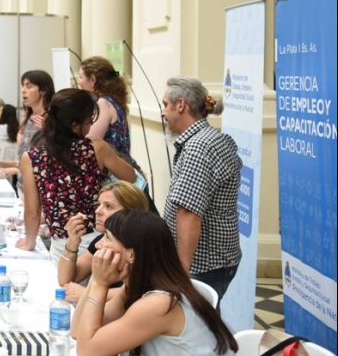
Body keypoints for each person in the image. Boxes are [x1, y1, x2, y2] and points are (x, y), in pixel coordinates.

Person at [71, 210, 239, 356]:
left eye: (107, 238)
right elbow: (78, 331)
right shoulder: (138, 288)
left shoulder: (159, 303)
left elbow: (88, 351)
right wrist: (97, 278)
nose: (99, 244)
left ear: (132, 254)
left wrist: (101, 283)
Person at [16, 89, 136, 261]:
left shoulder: (32, 157)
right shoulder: (96, 148)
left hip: (60, 245)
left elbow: (33, 211)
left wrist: (30, 243)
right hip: (95, 243)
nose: (90, 127)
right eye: (88, 122)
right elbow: (130, 176)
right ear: (74, 125)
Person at [161, 77, 241, 301]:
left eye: (165, 104)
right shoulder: (206, 139)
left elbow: (189, 212)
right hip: (215, 262)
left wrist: (181, 273)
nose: (162, 112)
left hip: (204, 265)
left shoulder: (198, 147)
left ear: (181, 105)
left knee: (201, 328)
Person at [78, 57, 154, 205]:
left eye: (81, 77)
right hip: (124, 170)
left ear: (92, 80)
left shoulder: (103, 104)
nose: (79, 81)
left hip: (115, 178)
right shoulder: (115, 102)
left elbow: (90, 142)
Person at [58, 181, 150, 302]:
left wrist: (88, 293)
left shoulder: (142, 244)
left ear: (130, 213)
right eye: (99, 204)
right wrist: (72, 241)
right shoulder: (101, 240)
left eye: (108, 206)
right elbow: (66, 280)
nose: (97, 211)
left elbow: (141, 292)